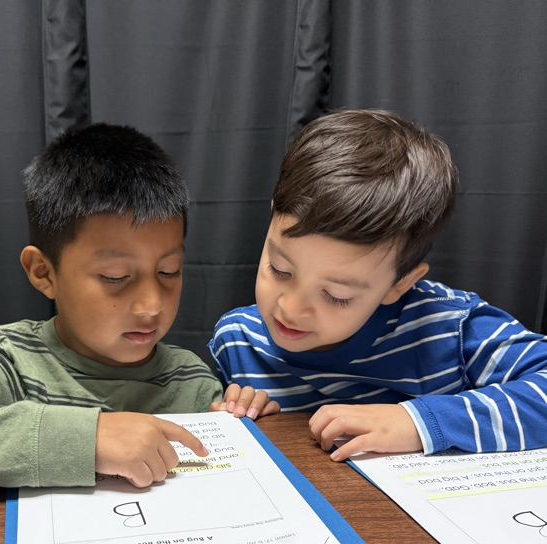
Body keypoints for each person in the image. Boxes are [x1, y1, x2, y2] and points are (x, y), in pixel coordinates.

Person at [0, 123, 275, 497]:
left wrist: (244, 422)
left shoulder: (189, 379)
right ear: (43, 272)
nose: (151, 305)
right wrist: (89, 439)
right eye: (114, 278)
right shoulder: (8, 359)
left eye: (169, 271)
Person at [208, 108, 547, 462]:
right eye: (279, 270)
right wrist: (232, 417)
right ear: (272, 215)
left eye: (336, 295)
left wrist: (420, 422)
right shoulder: (238, 340)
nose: (290, 308)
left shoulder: (451, 328)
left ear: (399, 283)